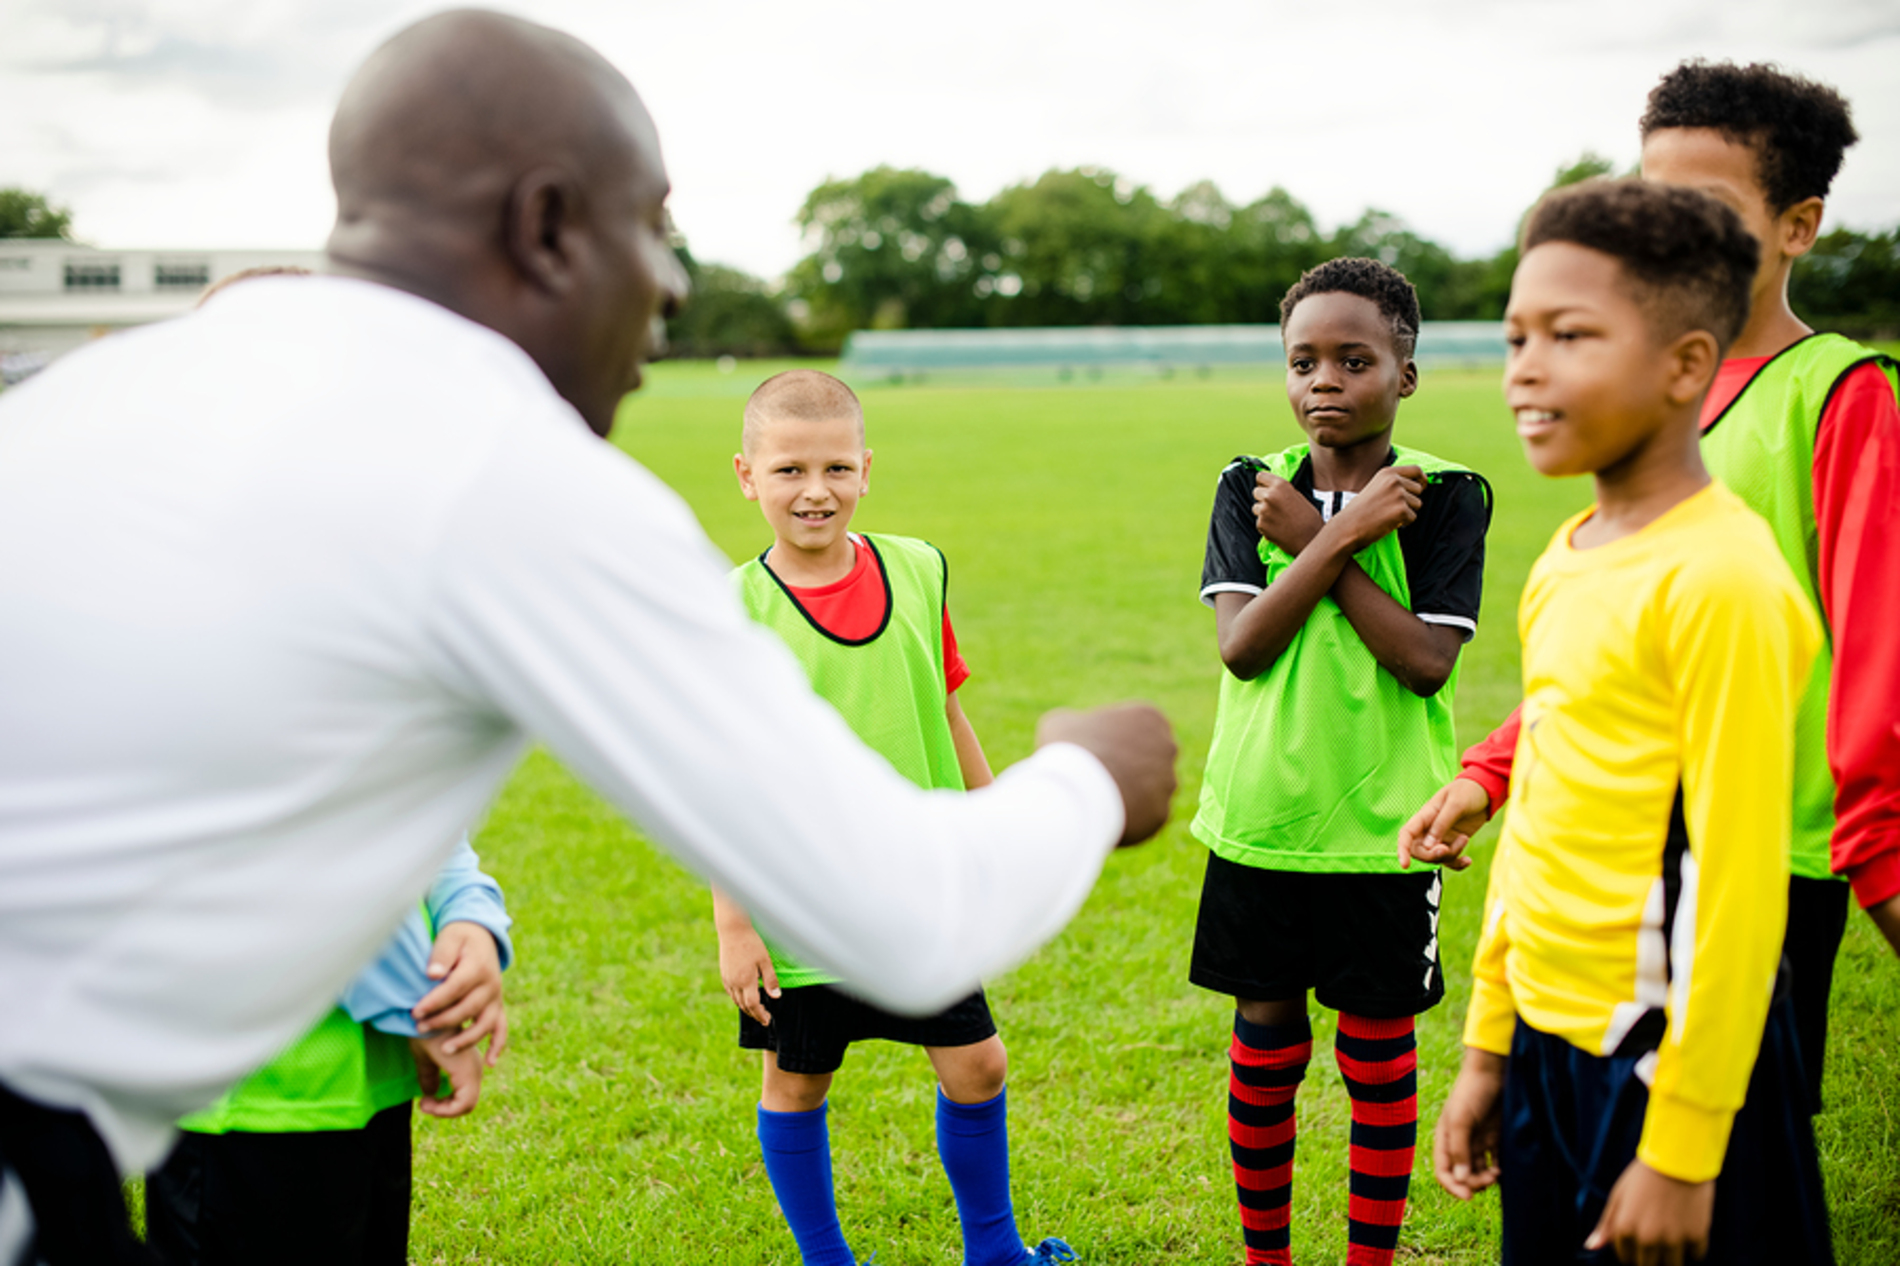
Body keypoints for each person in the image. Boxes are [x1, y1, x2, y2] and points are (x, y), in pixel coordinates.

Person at [0, 12, 1177, 1263]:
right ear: (547, 222)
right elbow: (904, 913)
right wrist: (1090, 773)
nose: (671, 285)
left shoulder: (100, 393)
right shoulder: (489, 463)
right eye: (654, 226)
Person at [1401, 62, 1900, 1109]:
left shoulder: (1839, 394)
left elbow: (1872, 657)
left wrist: (1875, 845)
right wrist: (1491, 774)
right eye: (1652, 195)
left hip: (1767, 848)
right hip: (1609, 837)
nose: (1666, 228)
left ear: (1798, 225)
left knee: (1725, 1136)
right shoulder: (1630, 397)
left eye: (1707, 206)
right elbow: (1601, 638)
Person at [1432, 179, 1831, 1265]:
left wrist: (1687, 1146)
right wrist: (1485, 1048)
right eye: (1515, 335)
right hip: (1547, 1049)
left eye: (1570, 335)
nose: (1525, 365)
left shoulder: (1722, 580)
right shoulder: (1566, 558)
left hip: (1671, 1063)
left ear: (1684, 365)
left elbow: (1742, 879)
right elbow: (1542, 825)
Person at [712, 369, 1075, 1266]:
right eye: (789, 469)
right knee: (796, 1083)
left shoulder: (916, 568)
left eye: (836, 466)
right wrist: (733, 920)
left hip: (921, 878)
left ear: (867, 469)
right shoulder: (733, 610)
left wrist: (1000, 833)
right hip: (802, 898)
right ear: (747, 475)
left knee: (977, 1064)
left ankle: (994, 1251)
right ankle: (826, 1261)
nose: (815, 490)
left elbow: (944, 709)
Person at [1192, 257, 1491, 1266]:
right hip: (1263, 820)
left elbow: (1420, 661)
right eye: (1303, 360)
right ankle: (1263, 1259)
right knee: (1264, 1049)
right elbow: (1243, 648)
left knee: (1376, 1060)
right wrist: (1337, 535)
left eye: (1353, 360)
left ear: (1404, 372)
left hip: (1385, 831)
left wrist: (1334, 540)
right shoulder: (1250, 486)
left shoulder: (1447, 497)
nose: (1324, 380)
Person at [142, 837, 511, 1266]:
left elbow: (414, 818)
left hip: (367, 1087)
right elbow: (300, 861)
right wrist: (421, 1007)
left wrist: (468, 914)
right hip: (254, 1098)